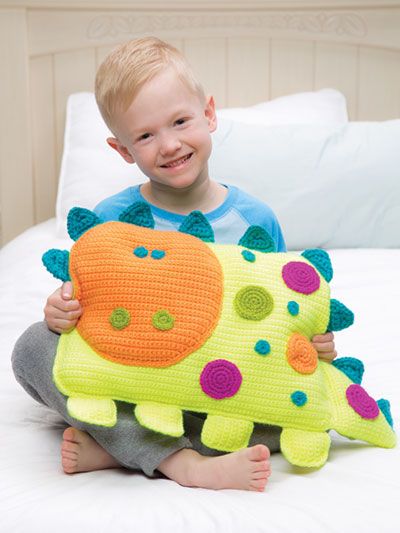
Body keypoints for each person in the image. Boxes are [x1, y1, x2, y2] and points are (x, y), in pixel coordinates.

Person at [12, 37, 336, 492]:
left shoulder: (256, 221)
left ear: (209, 114)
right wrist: (61, 313)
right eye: (144, 136)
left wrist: (315, 343)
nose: (169, 145)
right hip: (138, 378)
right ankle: (183, 461)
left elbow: (284, 316)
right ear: (122, 150)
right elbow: (87, 324)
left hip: (216, 387)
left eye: (180, 121)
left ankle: (121, 446)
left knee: (309, 408)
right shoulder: (109, 221)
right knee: (33, 348)